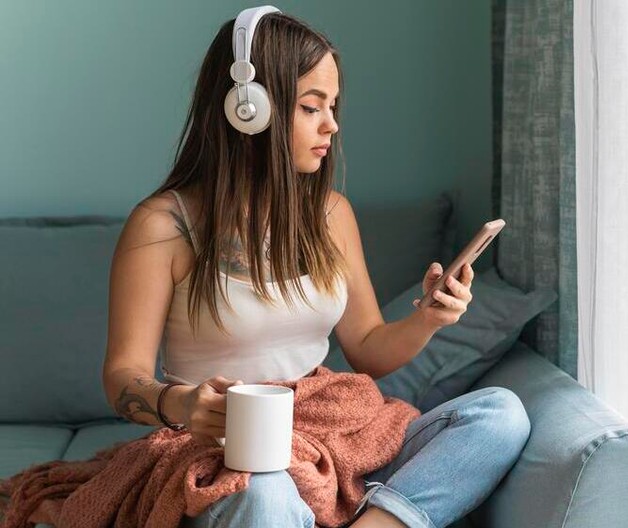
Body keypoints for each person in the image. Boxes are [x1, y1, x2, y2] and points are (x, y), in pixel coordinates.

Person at [101, 6, 530, 528]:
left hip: (326, 426)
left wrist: (428, 319)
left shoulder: (332, 215)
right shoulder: (163, 225)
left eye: (333, 106)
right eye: (311, 107)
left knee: (499, 415)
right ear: (248, 108)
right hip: (218, 445)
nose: (332, 124)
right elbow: (122, 377)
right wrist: (181, 404)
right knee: (265, 491)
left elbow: (367, 347)